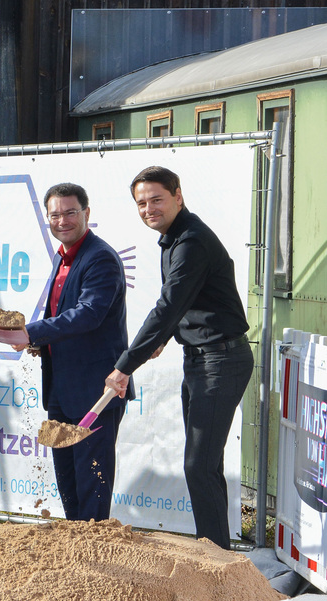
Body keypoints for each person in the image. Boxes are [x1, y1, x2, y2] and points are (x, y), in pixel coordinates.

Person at [105, 165, 253, 549]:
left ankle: (216, 561)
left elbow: (168, 305)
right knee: (205, 466)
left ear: (178, 196)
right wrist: (166, 337)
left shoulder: (190, 242)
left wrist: (125, 365)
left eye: (157, 199)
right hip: (201, 360)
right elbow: (182, 303)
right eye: (142, 202)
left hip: (221, 360)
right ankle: (218, 553)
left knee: (198, 465)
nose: (149, 208)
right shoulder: (173, 239)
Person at [10, 183, 133, 521]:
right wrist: (38, 342)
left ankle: (94, 554)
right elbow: (60, 315)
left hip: (96, 390)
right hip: (62, 389)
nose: (61, 220)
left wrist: (31, 332)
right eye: (55, 214)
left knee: (91, 479)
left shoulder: (100, 258)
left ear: (86, 214)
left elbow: (88, 314)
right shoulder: (62, 257)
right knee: (67, 478)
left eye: (69, 212)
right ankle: (76, 551)